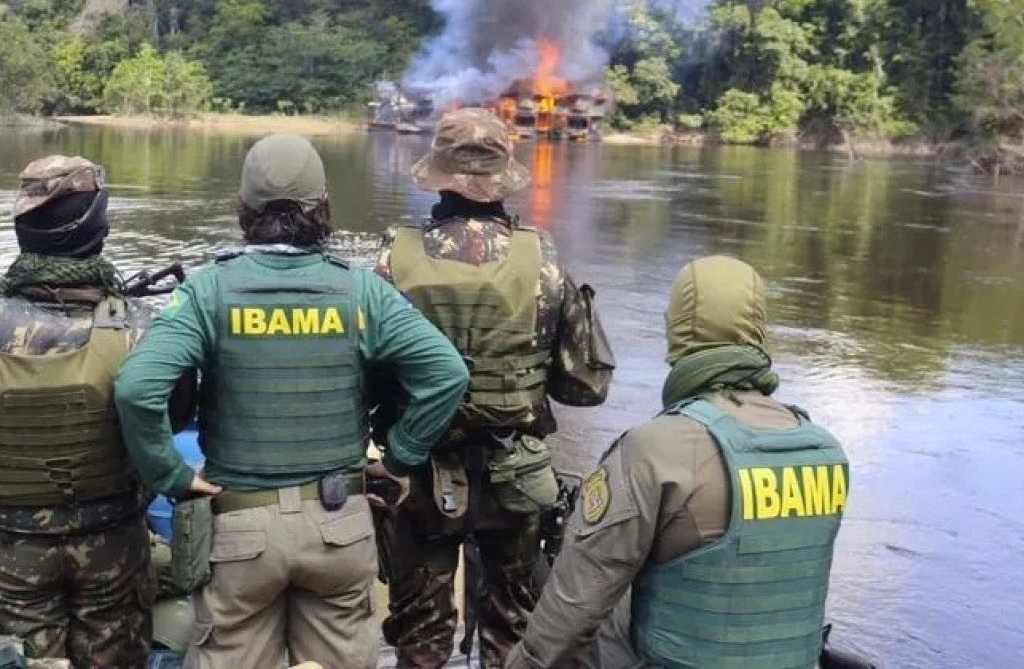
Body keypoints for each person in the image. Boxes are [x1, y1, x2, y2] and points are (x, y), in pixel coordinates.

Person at [112, 133, 470, 669]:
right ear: (324, 208)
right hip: (339, 524)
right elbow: (447, 374)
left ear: (243, 210)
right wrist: (398, 457)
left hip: (239, 532)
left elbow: (138, 389)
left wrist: (170, 476)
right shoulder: (363, 291)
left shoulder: (209, 290)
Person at [0, 155, 189, 668]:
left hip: (7, 559)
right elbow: (175, 425)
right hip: (114, 551)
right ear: (99, 227)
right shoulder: (145, 329)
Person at [506, 255, 850, 669]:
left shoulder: (654, 449)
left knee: (592, 603)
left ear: (679, 331)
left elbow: (573, 611)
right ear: (758, 329)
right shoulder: (825, 451)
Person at [371, 108, 616, 669]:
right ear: (502, 180)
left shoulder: (393, 259)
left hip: (420, 478)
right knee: (513, 629)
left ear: (440, 178)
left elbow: (369, 370)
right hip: (518, 480)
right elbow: (585, 389)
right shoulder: (544, 263)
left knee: (420, 634)